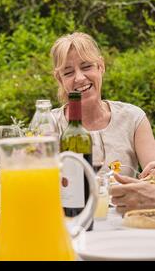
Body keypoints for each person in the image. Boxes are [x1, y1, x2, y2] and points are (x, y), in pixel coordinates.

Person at [50, 32, 155, 176]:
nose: (80, 78)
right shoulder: (49, 126)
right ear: (60, 79)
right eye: (68, 73)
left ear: (101, 66)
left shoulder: (133, 118)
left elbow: (152, 176)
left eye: (86, 67)